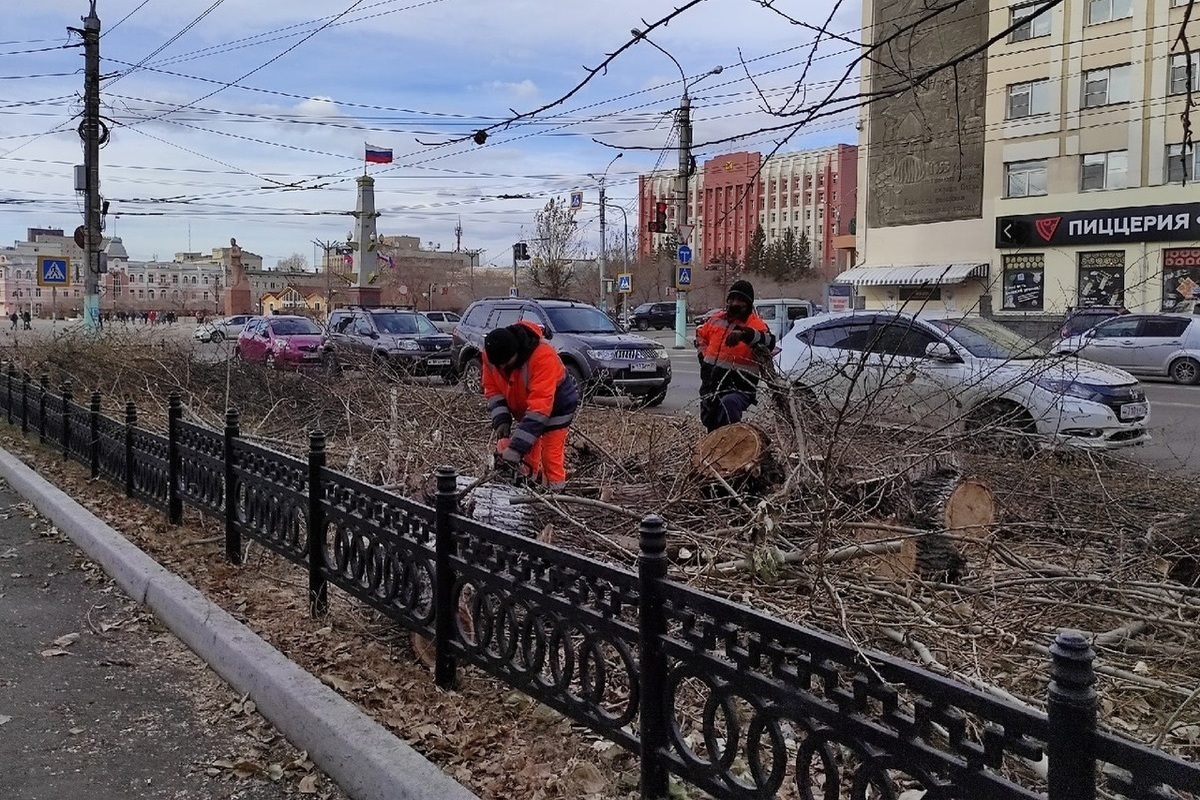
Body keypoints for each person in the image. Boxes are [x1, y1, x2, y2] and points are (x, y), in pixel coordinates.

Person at [482, 321, 579, 490]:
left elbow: (539, 408)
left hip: (557, 406)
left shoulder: (542, 357)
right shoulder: (492, 355)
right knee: (527, 455)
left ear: (516, 353)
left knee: (550, 456)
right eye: (498, 365)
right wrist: (502, 420)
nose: (502, 368)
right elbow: (492, 390)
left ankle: (556, 496)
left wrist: (517, 448)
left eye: (505, 364)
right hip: (528, 408)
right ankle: (527, 487)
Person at [695, 279, 776, 432]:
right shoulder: (716, 319)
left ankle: (733, 442)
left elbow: (769, 341)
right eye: (732, 299)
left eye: (740, 300)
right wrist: (703, 357)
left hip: (739, 387)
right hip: (711, 383)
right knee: (710, 422)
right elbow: (700, 335)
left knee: (729, 406)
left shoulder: (755, 324)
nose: (734, 303)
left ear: (748, 303)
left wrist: (745, 334)